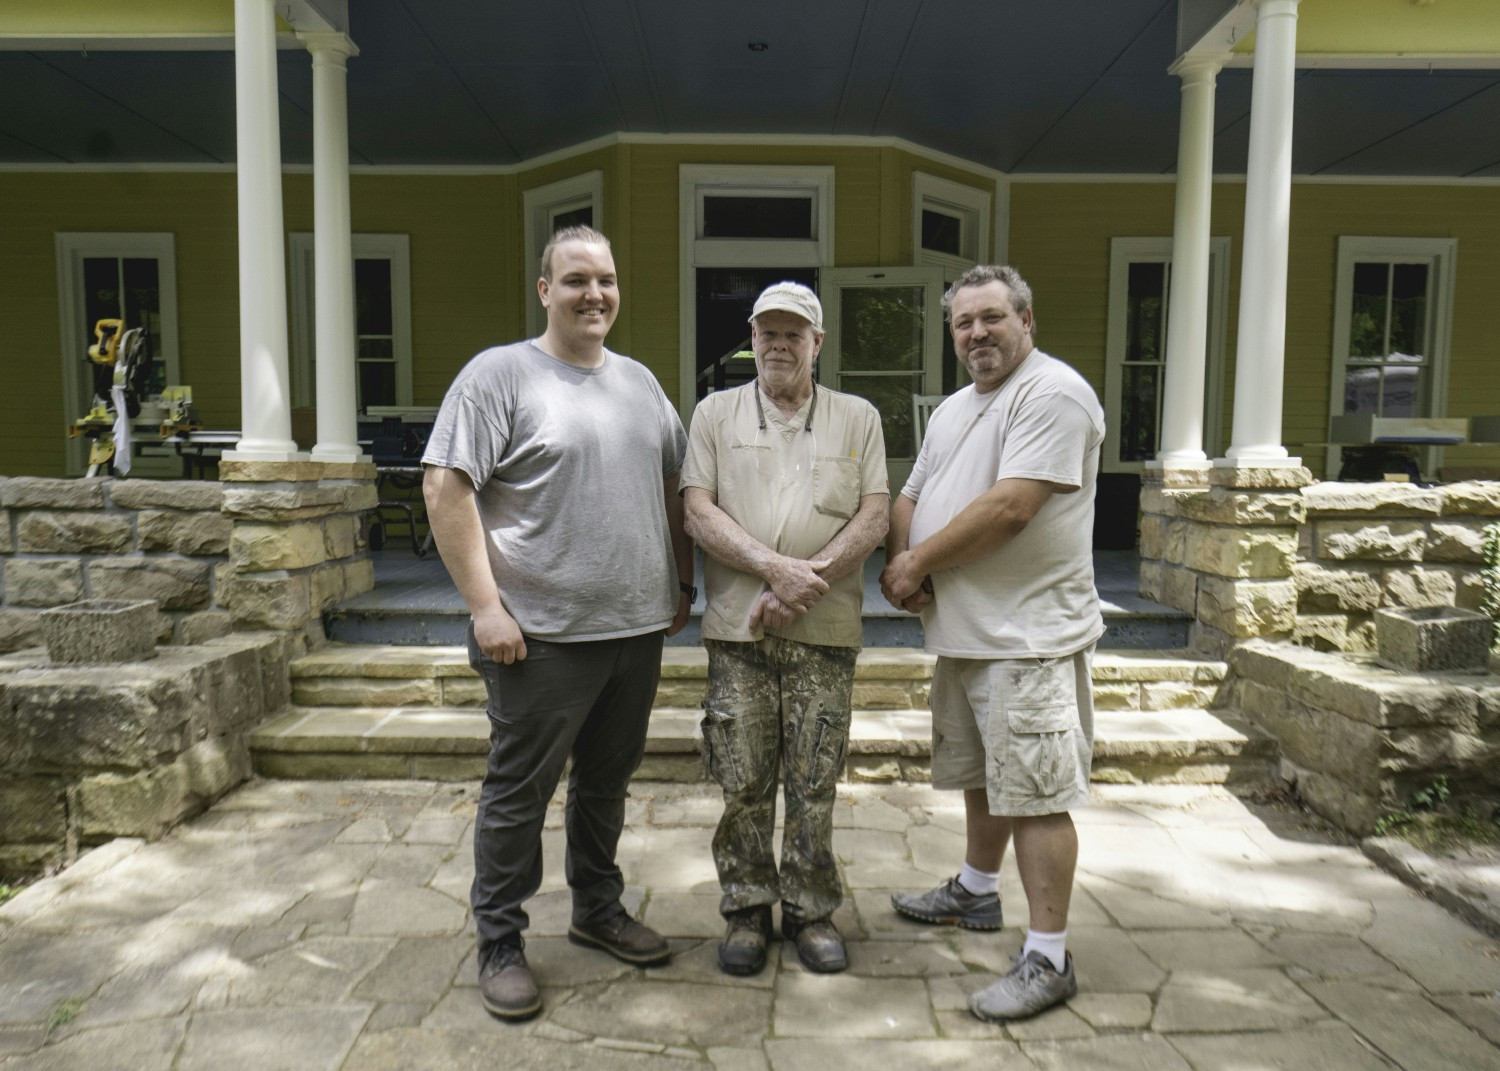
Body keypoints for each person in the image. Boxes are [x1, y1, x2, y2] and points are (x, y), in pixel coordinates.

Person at [422, 225, 694, 1022]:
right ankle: (500, 939)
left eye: (605, 279)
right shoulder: (499, 376)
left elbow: (678, 484)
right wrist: (484, 607)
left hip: (636, 632)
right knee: (519, 792)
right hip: (538, 638)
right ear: (545, 289)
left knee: (606, 783)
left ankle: (596, 909)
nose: (594, 294)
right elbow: (446, 487)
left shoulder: (640, 383)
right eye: (575, 279)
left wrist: (680, 579)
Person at [880, 264, 1104, 1021]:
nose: (976, 333)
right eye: (962, 322)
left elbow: (1011, 507)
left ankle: (1048, 955)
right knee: (987, 774)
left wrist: (917, 564)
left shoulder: (1054, 393)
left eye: (991, 318)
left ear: (1026, 319)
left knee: (1037, 792)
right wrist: (906, 570)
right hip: (968, 630)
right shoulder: (953, 409)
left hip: (1028, 634)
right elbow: (912, 492)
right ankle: (975, 892)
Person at [682, 282, 888, 975]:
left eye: (793, 333)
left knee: (814, 775)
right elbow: (698, 513)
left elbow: (875, 517)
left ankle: (810, 909)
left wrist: (804, 584)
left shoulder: (858, 418)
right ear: (751, 336)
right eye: (767, 331)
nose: (778, 344)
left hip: (824, 629)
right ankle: (746, 905)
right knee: (741, 775)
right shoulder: (714, 413)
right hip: (738, 631)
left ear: (817, 342)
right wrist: (776, 570)